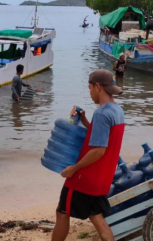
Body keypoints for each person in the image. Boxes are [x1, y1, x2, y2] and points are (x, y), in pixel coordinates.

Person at [52, 69, 125, 241]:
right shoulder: (117, 111)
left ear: (98, 86)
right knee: (96, 216)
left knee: (62, 213)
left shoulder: (101, 113)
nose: (90, 92)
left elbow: (99, 150)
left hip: (84, 179)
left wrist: (73, 169)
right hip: (103, 177)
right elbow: (104, 137)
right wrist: (84, 121)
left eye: (90, 88)